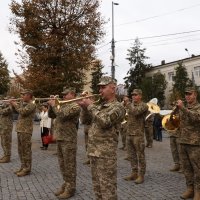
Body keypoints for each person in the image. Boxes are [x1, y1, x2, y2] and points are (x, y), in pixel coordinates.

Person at [78, 76, 125, 200]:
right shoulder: (99, 106)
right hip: (94, 152)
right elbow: (84, 121)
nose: (100, 90)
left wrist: (91, 106)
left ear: (113, 89)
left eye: (103, 87)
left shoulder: (118, 107)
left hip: (106, 155)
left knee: (108, 190)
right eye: (99, 88)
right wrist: (84, 108)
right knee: (97, 189)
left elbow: (105, 121)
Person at [48, 87, 81, 199]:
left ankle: (71, 188)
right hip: (61, 138)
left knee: (69, 165)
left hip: (69, 139)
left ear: (72, 94)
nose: (63, 96)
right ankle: (66, 183)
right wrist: (50, 105)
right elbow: (52, 115)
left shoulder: (75, 106)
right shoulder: (63, 105)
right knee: (62, 164)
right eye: (63, 94)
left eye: (66, 94)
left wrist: (54, 105)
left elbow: (62, 115)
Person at [176, 87, 200, 200]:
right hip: (182, 141)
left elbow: (196, 117)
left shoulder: (198, 107)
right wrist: (175, 110)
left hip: (195, 143)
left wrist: (183, 108)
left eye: (190, 94)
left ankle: (198, 192)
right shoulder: (183, 108)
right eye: (186, 94)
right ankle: (190, 189)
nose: (187, 96)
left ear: (195, 95)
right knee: (186, 169)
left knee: (197, 169)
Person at [124, 89, 148, 184]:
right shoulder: (131, 105)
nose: (133, 96)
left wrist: (128, 103)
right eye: (132, 95)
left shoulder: (144, 105)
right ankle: (134, 172)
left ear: (140, 96)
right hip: (129, 133)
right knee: (132, 155)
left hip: (138, 135)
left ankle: (141, 175)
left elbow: (135, 112)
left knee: (140, 156)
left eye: (135, 95)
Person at [10, 89, 36, 177]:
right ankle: (23, 166)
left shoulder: (32, 104)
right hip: (20, 129)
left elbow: (23, 112)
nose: (22, 96)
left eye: (24, 95)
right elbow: (17, 111)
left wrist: (15, 104)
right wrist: (14, 105)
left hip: (26, 131)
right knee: (20, 150)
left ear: (29, 95)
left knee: (26, 150)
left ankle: (27, 169)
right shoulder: (23, 104)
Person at [0, 99, 13, 163]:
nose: (5, 101)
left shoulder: (10, 108)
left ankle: (7, 157)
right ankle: (5, 155)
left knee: (6, 142)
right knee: (3, 142)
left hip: (7, 127)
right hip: (3, 127)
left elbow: (2, 112)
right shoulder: (5, 106)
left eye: (6, 101)